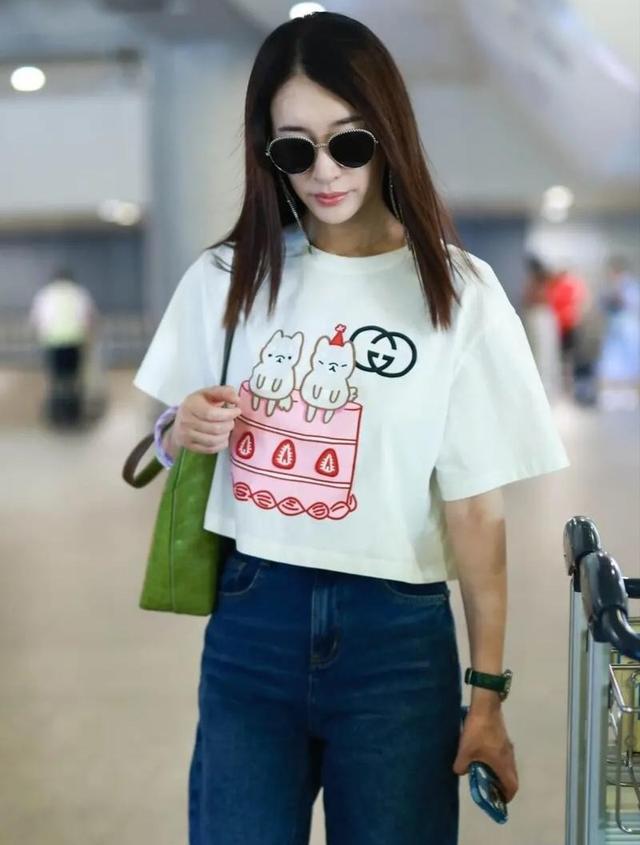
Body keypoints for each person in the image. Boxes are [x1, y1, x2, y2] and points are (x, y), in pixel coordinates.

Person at [133, 13, 570, 844]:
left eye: (349, 142)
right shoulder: (228, 277)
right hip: (252, 621)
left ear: (388, 133)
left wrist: (486, 695)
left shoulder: (460, 295)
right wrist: (178, 428)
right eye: (294, 150)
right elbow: (159, 439)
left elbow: (477, 513)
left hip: (396, 638)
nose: (324, 171)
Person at [29, 268, 96, 426]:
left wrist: (41, 335)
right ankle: (73, 415)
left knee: (56, 380)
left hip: (53, 343)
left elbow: (36, 319)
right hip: (74, 342)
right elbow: (89, 318)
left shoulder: (46, 294)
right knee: (73, 380)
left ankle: (57, 414)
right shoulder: (79, 293)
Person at [543, 263, 590, 394]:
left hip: (568, 325)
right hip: (563, 325)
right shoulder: (561, 284)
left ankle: (568, 386)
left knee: (567, 358)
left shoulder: (568, 284)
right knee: (565, 358)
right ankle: (566, 386)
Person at [522, 255, 562, 402]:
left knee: (545, 357)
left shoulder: (542, 280)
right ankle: (542, 393)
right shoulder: (533, 283)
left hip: (541, 317)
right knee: (539, 356)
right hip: (536, 317)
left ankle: (546, 393)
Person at [598, 256, 640, 388]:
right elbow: (602, 305)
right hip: (614, 328)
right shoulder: (609, 286)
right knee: (611, 362)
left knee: (630, 360)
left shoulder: (629, 285)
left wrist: (618, 295)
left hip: (627, 328)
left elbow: (631, 303)